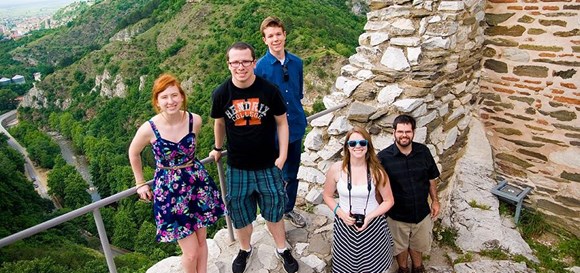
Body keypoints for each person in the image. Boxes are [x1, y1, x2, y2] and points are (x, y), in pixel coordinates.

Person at [209, 41, 299, 273]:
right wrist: (217, 148)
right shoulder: (221, 93)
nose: (241, 66)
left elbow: (282, 122)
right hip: (238, 166)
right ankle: (245, 248)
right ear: (229, 64)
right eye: (235, 62)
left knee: (274, 210)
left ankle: (281, 248)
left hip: (268, 163)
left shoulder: (269, 90)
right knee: (240, 213)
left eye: (245, 61)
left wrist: (283, 155)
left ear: (254, 62)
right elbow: (219, 123)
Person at [128, 74, 226, 273]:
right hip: (170, 191)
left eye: (174, 95)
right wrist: (140, 182)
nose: (170, 101)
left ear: (182, 96)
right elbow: (133, 152)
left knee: (201, 241)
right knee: (190, 253)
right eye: (164, 97)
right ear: (157, 101)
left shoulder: (194, 120)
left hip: (197, 183)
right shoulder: (149, 128)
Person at [255, 16, 307, 228]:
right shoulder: (260, 68)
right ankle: (271, 214)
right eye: (270, 36)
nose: (275, 39)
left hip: (294, 127)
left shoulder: (297, 63)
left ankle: (288, 209)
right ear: (264, 40)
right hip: (272, 133)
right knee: (271, 177)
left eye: (278, 34)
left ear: (284, 35)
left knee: (292, 173)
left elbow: (298, 93)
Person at [322, 127, 395, 273]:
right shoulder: (336, 169)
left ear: (368, 146)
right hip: (344, 226)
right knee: (346, 266)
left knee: (374, 266)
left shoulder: (377, 172)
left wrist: (369, 217)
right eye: (352, 143)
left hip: (373, 226)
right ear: (347, 147)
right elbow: (327, 196)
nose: (357, 146)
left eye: (362, 142)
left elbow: (389, 200)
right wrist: (341, 213)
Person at [377, 115, 441, 273]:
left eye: (408, 131)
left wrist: (435, 201)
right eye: (400, 131)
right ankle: (403, 269)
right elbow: (379, 187)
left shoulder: (423, 152)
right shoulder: (383, 158)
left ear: (413, 132)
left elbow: (431, 178)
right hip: (397, 215)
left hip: (421, 212)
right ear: (394, 132)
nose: (404, 135)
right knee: (400, 247)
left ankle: (418, 268)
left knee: (418, 244)